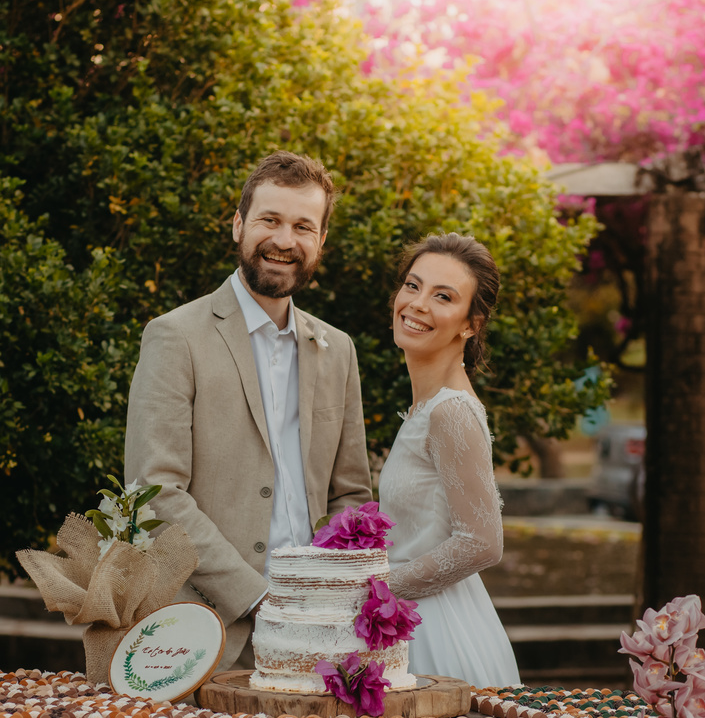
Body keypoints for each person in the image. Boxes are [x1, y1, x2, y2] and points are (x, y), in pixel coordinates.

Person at [124, 151, 374, 670]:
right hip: (207, 632)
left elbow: (350, 494)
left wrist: (330, 597)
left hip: (322, 633)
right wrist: (261, 599)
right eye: (270, 220)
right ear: (239, 225)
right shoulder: (176, 337)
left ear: (321, 241)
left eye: (304, 226)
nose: (285, 240)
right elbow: (153, 494)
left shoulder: (338, 349)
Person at [379, 232, 521, 687]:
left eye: (443, 296)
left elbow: (481, 542)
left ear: (470, 324)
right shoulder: (428, 406)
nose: (417, 304)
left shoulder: (451, 412)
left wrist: (372, 592)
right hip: (408, 622)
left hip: (436, 638)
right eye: (412, 286)